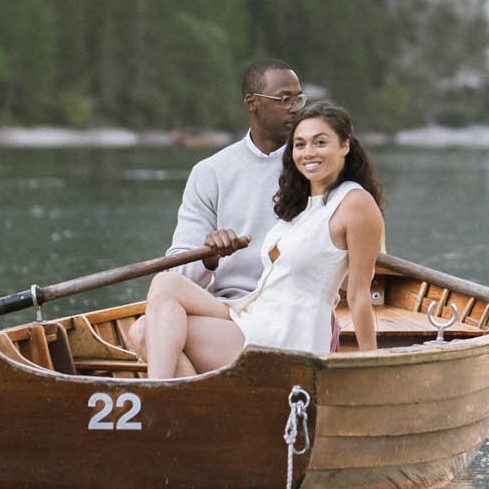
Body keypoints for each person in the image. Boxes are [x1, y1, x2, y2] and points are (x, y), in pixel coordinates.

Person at [140, 100, 385, 380]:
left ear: (345, 146)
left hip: (289, 335)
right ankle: (180, 401)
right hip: (256, 312)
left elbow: (358, 293)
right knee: (166, 283)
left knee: (146, 332)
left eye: (320, 143)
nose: (308, 153)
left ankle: (160, 398)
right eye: (300, 144)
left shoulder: (355, 203)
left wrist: (371, 367)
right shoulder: (302, 204)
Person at [123, 60, 302, 368]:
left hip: (282, 312)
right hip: (225, 311)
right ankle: (174, 405)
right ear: (252, 103)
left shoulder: (312, 165)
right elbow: (178, 270)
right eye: (284, 99)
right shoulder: (211, 172)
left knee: (143, 333)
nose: (295, 108)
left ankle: (163, 404)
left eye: (299, 99)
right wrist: (207, 257)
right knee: (162, 297)